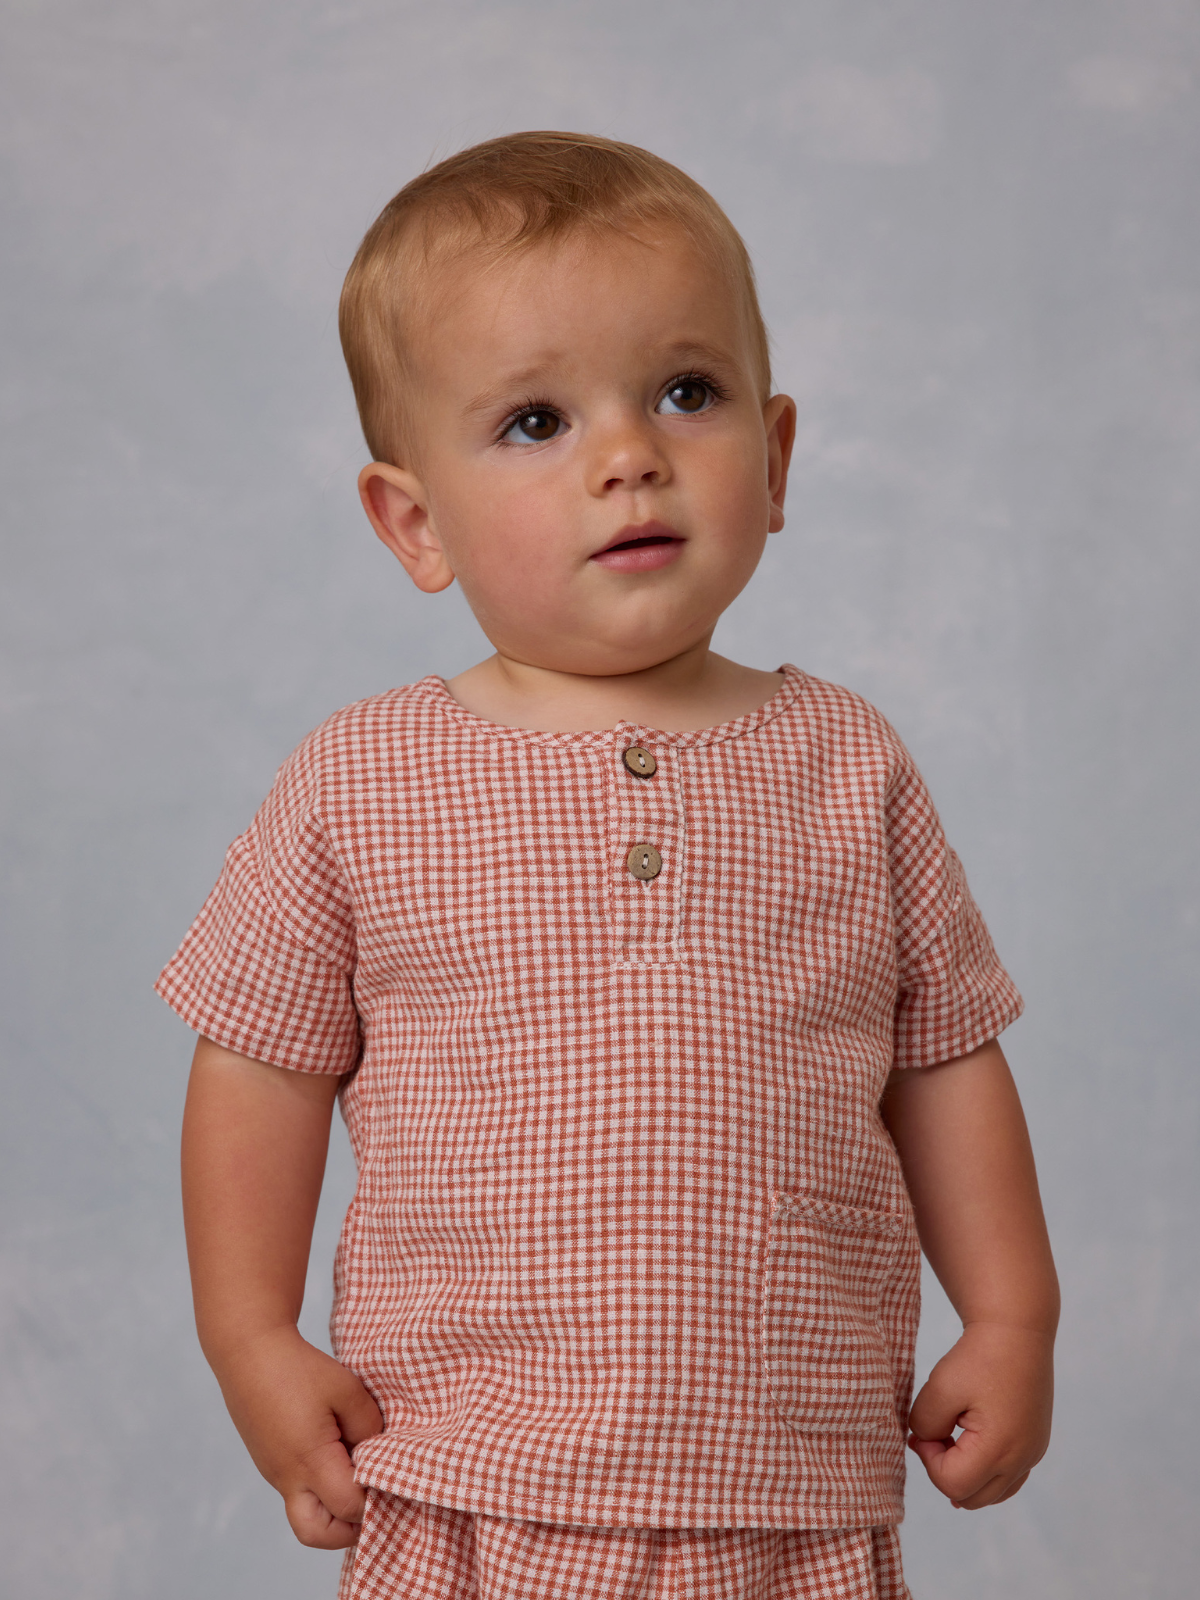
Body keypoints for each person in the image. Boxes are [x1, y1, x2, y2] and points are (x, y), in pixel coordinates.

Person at [158, 131, 1059, 1600]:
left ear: (772, 463)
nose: (629, 455)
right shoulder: (363, 778)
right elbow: (258, 1059)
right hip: (470, 1480)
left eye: (685, 394)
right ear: (412, 521)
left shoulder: (848, 762)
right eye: (533, 423)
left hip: (792, 1490)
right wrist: (250, 1336)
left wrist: (1014, 1315)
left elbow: (944, 1055)